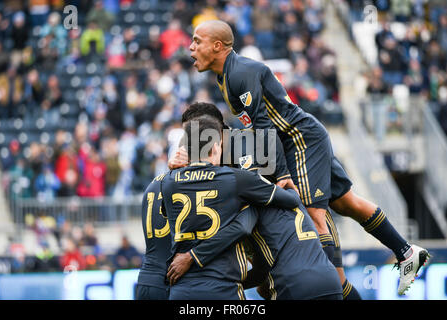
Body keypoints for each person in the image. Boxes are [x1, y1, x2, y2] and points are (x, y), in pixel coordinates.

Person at [188, 20, 430, 296]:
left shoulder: (239, 73)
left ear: (217, 46)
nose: (191, 47)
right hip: (302, 136)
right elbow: (259, 129)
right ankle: (406, 251)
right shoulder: (227, 76)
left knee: (314, 216)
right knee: (346, 203)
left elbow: (264, 127)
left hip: (299, 139)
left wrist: (281, 174)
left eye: (197, 41)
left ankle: (330, 287)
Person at [166, 105, 343, 300]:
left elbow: (241, 227)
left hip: (292, 285)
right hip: (329, 280)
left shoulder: (238, 185)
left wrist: (196, 259)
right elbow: (260, 270)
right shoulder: (256, 185)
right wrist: (288, 182)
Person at [136, 169, 259, 300]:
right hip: (173, 277)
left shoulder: (154, 185)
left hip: (147, 277)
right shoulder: (200, 189)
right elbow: (239, 229)